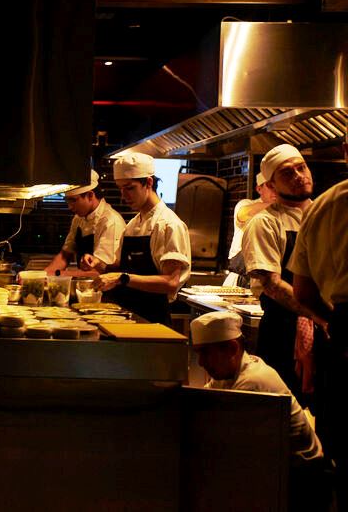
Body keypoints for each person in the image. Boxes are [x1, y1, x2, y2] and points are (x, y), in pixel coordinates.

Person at [190, 311, 326, 512]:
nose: (200, 362)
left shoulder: (252, 381)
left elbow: (223, 441)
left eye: (205, 353)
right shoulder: (229, 370)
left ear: (233, 348)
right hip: (273, 467)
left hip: (301, 481)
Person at [241, 144, 328, 399]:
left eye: (301, 167)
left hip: (329, 331)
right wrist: (322, 315)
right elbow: (273, 285)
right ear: (272, 184)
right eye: (287, 173)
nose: (298, 176)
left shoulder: (326, 215)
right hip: (283, 332)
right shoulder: (265, 222)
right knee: (282, 410)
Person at [289, 144, 348, 509]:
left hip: (341, 332)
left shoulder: (325, 204)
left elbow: (302, 292)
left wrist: (331, 323)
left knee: (339, 450)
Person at [94, 153, 191, 325]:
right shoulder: (132, 224)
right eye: (120, 188)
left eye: (130, 188)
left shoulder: (169, 224)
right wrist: (100, 265)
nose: (124, 195)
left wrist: (121, 278)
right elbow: (120, 266)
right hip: (128, 318)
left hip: (153, 321)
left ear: (149, 183)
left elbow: (170, 282)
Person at [44, 169, 126, 277]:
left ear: (90, 195)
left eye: (73, 200)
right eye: (67, 201)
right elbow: (65, 254)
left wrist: (57, 274)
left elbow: (101, 271)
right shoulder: (79, 218)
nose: (70, 206)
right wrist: (42, 275)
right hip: (84, 287)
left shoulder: (110, 222)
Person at [226, 171, 276, 282]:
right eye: (271, 186)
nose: (276, 191)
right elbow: (245, 213)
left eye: (278, 186)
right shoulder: (245, 204)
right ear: (259, 189)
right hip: (241, 276)